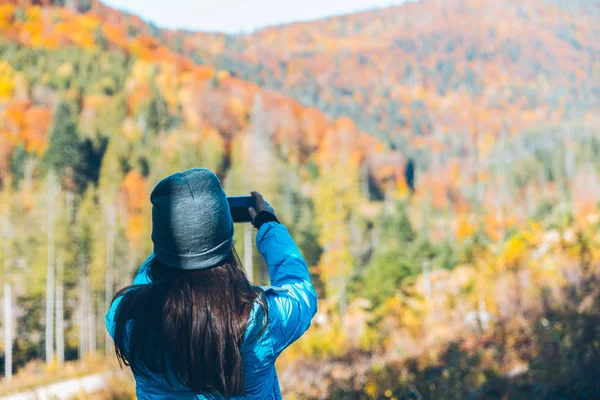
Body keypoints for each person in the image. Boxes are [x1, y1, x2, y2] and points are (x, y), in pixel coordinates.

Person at [105, 168, 318, 399]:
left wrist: (172, 242)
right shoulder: (259, 320)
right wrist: (269, 225)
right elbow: (300, 288)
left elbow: (142, 285)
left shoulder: (127, 319)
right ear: (225, 239)